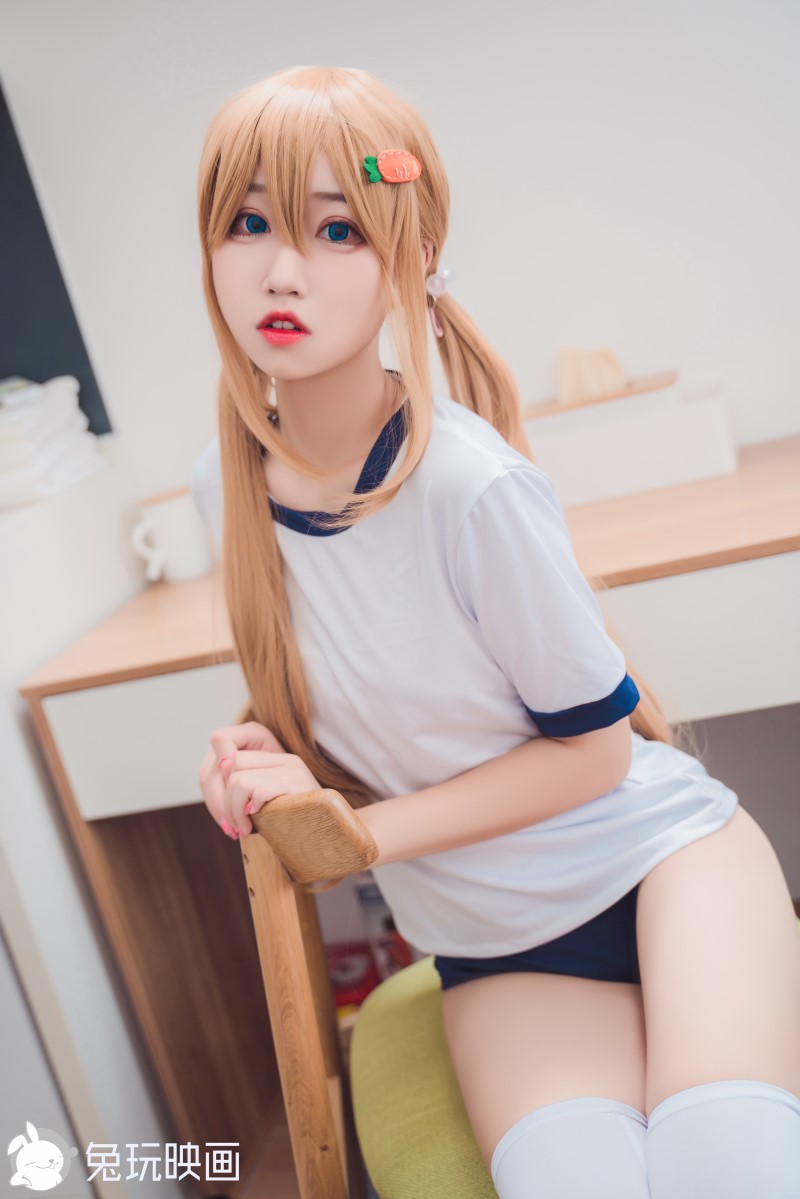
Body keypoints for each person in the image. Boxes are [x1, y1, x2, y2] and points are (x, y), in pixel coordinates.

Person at [191, 65, 800, 1198]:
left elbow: (597, 751)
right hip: (495, 942)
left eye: (336, 229)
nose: (281, 269)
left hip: (662, 870)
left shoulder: (467, 486)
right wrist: (260, 756)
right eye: (249, 223)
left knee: (724, 1170)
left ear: (410, 259)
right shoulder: (222, 490)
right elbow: (359, 689)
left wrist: (363, 838)